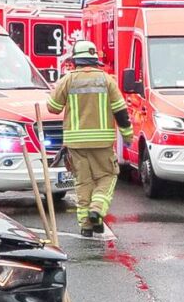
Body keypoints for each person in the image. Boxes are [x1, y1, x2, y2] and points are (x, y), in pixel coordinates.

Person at [47, 40, 133, 237]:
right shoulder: (107, 80)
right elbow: (121, 111)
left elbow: (53, 107)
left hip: (75, 143)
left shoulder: (67, 80)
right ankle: (97, 209)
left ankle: (86, 226)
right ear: (95, 60)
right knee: (107, 176)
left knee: (83, 182)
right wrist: (128, 135)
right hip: (102, 143)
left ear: (75, 60)